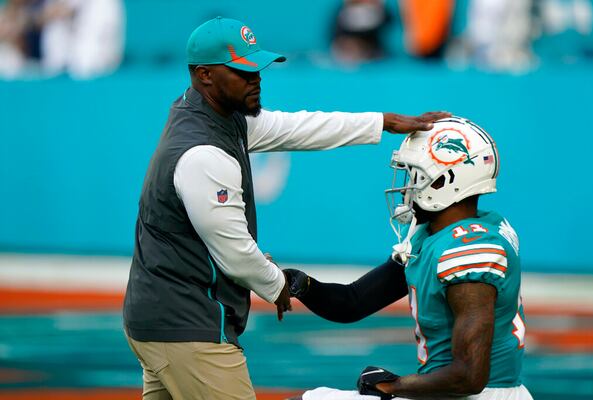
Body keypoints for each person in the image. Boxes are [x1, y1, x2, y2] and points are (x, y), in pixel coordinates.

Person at [122, 16, 449, 400]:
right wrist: (277, 285)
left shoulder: (211, 115)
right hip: (188, 325)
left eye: (257, 68)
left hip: (160, 319)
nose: (255, 78)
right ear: (204, 75)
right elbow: (236, 255)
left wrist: (383, 122)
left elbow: (300, 128)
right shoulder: (204, 154)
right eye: (242, 71)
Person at [284, 116, 532, 400]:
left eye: (416, 174)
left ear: (445, 181)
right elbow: (352, 302)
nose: (407, 186)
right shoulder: (433, 235)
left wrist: (393, 386)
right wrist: (302, 285)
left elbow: (469, 376)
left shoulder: (468, 249)